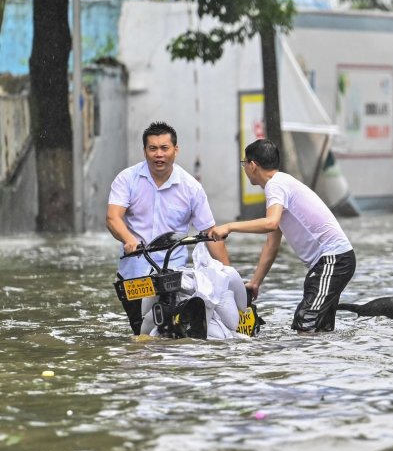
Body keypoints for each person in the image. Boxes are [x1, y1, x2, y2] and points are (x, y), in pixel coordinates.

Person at [208, 139, 356, 333]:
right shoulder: (281, 184)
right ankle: (323, 361)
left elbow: (270, 223)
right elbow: (272, 243)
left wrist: (229, 226)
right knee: (320, 328)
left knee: (305, 321)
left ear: (253, 166)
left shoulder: (275, 185)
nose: (244, 169)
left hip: (333, 260)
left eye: (245, 164)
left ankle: (301, 362)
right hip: (330, 262)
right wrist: (255, 282)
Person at [106, 121, 230, 334]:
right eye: (153, 148)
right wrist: (129, 240)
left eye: (164, 148)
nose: (159, 154)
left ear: (175, 150)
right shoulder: (127, 179)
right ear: (145, 151)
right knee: (141, 334)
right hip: (134, 274)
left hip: (172, 275)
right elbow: (113, 218)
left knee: (174, 329)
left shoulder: (191, 187)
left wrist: (228, 274)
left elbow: (210, 235)